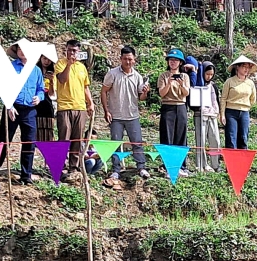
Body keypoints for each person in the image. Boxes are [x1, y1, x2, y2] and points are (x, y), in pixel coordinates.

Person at [100, 45, 151, 184]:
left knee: (137, 142)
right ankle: (116, 170)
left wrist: (145, 92)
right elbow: (104, 91)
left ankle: (141, 167)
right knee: (115, 143)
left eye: (130, 59)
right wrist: (106, 110)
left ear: (134, 60)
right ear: (120, 59)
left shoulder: (138, 76)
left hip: (132, 115)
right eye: (125, 59)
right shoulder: (112, 74)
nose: (127, 62)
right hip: (116, 115)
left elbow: (141, 97)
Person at [1, 42, 46, 185]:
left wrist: (39, 97)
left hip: (30, 110)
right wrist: (9, 106)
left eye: (24, 49)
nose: (22, 51)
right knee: (4, 139)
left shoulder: (36, 70)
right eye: (19, 49)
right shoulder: (10, 67)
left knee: (29, 142)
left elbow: (41, 89)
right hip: (12, 108)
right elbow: (3, 88)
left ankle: (26, 175)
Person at [55, 40, 93, 179]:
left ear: (78, 52)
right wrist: (69, 65)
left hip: (80, 107)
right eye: (70, 50)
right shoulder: (60, 64)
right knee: (64, 138)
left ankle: (74, 167)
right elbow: (62, 80)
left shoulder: (82, 67)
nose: (72, 53)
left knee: (77, 139)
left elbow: (85, 87)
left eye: (75, 50)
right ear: (66, 50)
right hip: (64, 107)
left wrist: (90, 103)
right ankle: (60, 167)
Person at [158, 48, 191, 164]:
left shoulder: (184, 76)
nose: (173, 62)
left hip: (181, 106)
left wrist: (181, 84)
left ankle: (181, 164)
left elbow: (186, 93)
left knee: (181, 135)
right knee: (167, 135)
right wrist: (169, 82)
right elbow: (162, 93)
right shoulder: (163, 76)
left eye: (176, 60)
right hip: (167, 107)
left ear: (180, 62)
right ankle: (167, 163)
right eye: (171, 60)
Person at [221, 55, 257, 150]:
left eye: (248, 67)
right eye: (244, 66)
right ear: (237, 67)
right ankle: (231, 163)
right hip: (231, 112)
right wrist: (222, 115)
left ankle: (243, 163)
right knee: (231, 138)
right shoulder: (229, 81)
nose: (246, 69)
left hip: (245, 112)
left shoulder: (250, 83)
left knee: (243, 137)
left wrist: (246, 105)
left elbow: (253, 99)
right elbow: (223, 98)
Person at [194, 60, 221, 172]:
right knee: (201, 141)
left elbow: (217, 101)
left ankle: (215, 164)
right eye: (207, 74)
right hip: (200, 115)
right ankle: (201, 165)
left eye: (211, 74)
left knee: (215, 140)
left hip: (212, 115)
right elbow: (194, 104)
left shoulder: (214, 86)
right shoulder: (197, 85)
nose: (209, 76)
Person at [36, 55, 56, 142]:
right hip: (36, 102)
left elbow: (52, 94)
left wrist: (51, 81)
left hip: (47, 103)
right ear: (40, 58)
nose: (46, 61)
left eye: (49, 59)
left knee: (48, 129)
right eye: (44, 58)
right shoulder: (35, 70)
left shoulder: (54, 73)